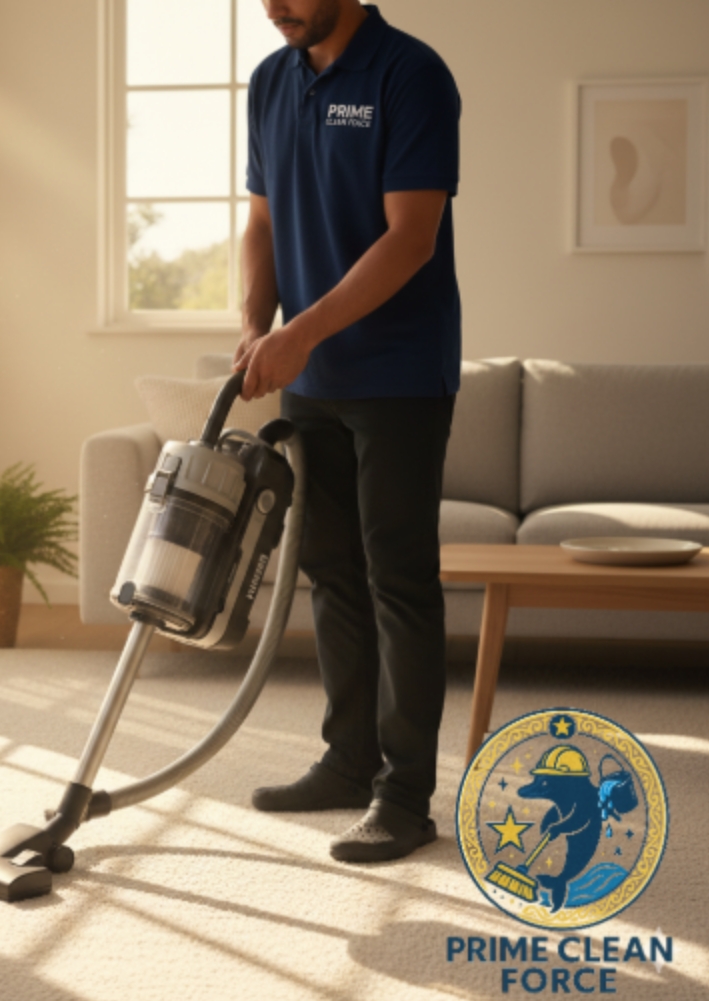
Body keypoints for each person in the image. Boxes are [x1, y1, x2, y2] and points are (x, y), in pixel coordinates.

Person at [233, 0, 461, 863]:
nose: (275, 6)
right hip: (311, 376)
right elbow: (260, 222)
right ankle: (347, 757)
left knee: (396, 576)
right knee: (329, 571)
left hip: (399, 373)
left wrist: (298, 333)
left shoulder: (411, 74)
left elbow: (410, 240)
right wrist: (257, 323)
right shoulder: (270, 81)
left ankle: (404, 795)